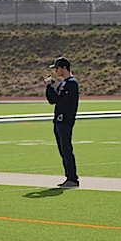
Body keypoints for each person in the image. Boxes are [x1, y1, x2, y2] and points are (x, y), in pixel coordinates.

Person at [45, 57, 80, 188]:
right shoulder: (63, 83)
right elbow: (52, 100)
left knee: (66, 149)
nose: (56, 71)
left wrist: (51, 87)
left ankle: (73, 178)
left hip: (66, 120)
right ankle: (68, 176)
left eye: (57, 68)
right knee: (62, 150)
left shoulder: (72, 83)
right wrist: (49, 87)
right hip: (59, 120)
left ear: (64, 68)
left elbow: (60, 99)